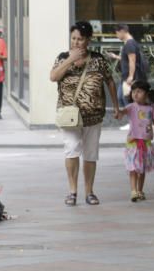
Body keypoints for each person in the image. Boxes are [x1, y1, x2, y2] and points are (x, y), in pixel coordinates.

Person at [50, 20, 121, 206]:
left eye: (80, 39)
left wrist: (115, 106)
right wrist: (70, 60)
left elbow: (110, 81)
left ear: (88, 40)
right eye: (73, 38)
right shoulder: (62, 57)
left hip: (94, 115)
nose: (75, 42)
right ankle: (72, 191)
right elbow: (53, 77)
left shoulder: (98, 59)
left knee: (90, 153)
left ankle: (89, 192)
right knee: (71, 150)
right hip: (69, 115)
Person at [121, 80, 154, 202]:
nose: (135, 94)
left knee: (142, 169)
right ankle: (133, 191)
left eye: (139, 92)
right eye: (133, 92)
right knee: (133, 168)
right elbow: (122, 112)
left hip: (145, 144)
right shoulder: (131, 107)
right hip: (132, 143)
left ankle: (140, 190)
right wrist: (118, 113)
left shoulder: (151, 109)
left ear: (146, 94)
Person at [114, 24, 147, 107]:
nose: (116, 35)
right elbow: (127, 59)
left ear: (122, 32)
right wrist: (115, 57)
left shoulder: (129, 44)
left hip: (130, 76)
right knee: (120, 97)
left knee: (126, 98)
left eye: (117, 33)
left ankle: (134, 117)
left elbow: (132, 61)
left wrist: (131, 76)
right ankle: (133, 116)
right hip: (126, 75)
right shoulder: (129, 43)